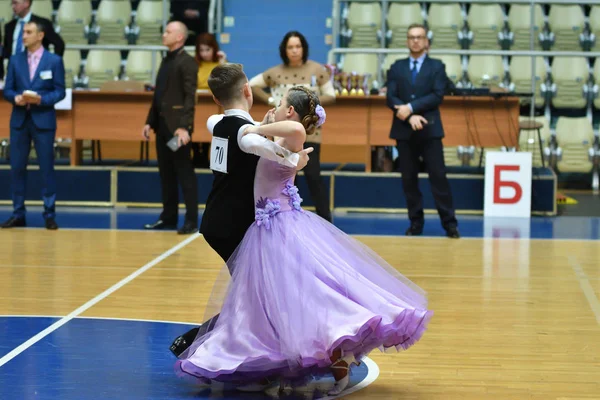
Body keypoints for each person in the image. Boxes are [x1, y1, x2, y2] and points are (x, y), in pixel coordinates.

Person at [175, 86, 433, 395]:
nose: (276, 104)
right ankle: (280, 370)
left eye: (281, 102)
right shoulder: (280, 140)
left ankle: (334, 368)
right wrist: (262, 130)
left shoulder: (294, 134)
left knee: (307, 300)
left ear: (291, 111)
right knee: (275, 305)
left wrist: (255, 126)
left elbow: (294, 128)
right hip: (266, 228)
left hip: (281, 228)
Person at [169, 63, 313, 358]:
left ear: (216, 99)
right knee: (255, 297)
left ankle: (202, 343)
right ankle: (203, 346)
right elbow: (268, 150)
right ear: (248, 91)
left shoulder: (216, 122)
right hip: (235, 226)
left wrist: (259, 126)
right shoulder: (247, 135)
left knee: (251, 295)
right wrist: (294, 158)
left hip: (216, 221)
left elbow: (228, 128)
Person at [250, 31, 335, 222]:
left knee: (313, 176)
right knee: (281, 175)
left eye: (298, 46)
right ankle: (282, 215)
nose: (294, 51)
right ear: (284, 50)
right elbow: (252, 85)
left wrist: (308, 103)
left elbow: (332, 95)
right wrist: (272, 99)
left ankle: (325, 219)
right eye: (290, 47)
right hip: (280, 134)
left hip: (309, 134)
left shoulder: (317, 69)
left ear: (304, 48)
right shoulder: (275, 72)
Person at [386, 23, 459, 238]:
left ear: (426, 41)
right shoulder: (396, 67)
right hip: (404, 131)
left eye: (419, 37)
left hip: (430, 131)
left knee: (439, 178)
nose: (415, 40)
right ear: (407, 41)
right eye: (411, 37)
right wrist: (410, 115)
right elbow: (391, 97)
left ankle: (450, 225)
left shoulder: (437, 66)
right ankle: (415, 224)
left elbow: (438, 95)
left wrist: (410, 108)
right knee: (409, 180)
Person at [1, 21, 65, 230]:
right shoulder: (15, 60)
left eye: (29, 32)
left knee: (46, 167)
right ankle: (18, 213)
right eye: (23, 32)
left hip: (43, 121)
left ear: (40, 35)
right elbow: (7, 89)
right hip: (20, 120)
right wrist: (16, 97)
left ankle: (49, 214)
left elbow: (60, 91)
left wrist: (41, 100)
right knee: (17, 168)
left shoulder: (54, 61)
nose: (24, 36)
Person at [142, 22, 199, 235]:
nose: (163, 34)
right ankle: (168, 217)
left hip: (178, 130)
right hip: (162, 127)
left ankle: (191, 220)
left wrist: (185, 127)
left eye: (167, 31)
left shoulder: (187, 62)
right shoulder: (166, 60)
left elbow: (189, 99)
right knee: (165, 173)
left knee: (184, 172)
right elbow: (159, 96)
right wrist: (150, 121)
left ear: (179, 37)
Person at [0, 0, 65, 80]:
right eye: (12, 3)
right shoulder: (9, 26)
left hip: (35, 73)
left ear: (26, 3)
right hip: (13, 73)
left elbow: (59, 44)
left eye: (15, 3)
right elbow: (7, 51)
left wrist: (52, 66)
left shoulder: (42, 23)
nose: (12, 6)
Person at [192, 32, 227, 168]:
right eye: (201, 50)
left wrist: (222, 62)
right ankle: (195, 153)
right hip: (197, 103)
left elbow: (225, 81)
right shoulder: (194, 64)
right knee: (195, 126)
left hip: (213, 104)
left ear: (214, 49)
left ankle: (206, 154)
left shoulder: (219, 63)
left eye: (208, 49)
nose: (204, 53)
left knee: (208, 127)